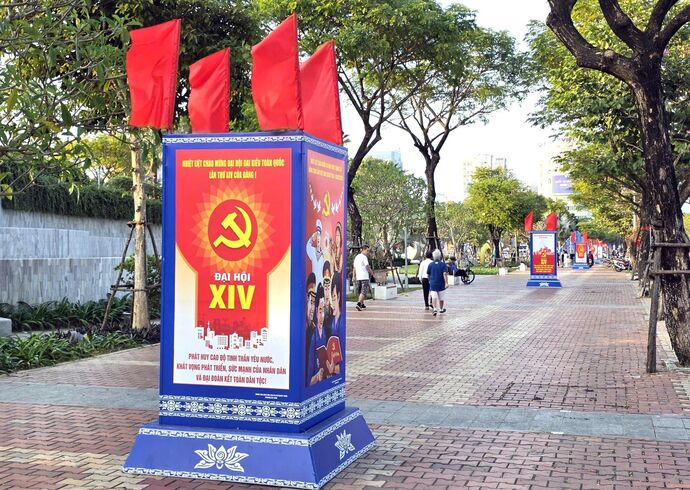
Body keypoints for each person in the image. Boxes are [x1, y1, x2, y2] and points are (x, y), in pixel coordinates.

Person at [308, 285, 327, 385]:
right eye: (320, 311)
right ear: (316, 312)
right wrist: (317, 376)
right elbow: (309, 381)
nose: (322, 315)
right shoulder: (312, 337)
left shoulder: (325, 331)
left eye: (324, 310)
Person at [352, 244, 374, 311]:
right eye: (367, 250)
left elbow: (354, 268)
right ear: (363, 250)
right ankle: (359, 304)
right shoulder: (364, 257)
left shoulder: (357, 257)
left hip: (358, 277)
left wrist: (354, 276)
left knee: (361, 291)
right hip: (364, 277)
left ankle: (362, 304)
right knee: (364, 291)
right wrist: (372, 273)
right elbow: (367, 267)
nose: (368, 252)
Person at [427, 249, 448, 316]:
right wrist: (446, 283)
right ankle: (441, 309)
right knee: (441, 298)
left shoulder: (430, 265)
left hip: (433, 283)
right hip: (441, 284)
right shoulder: (443, 265)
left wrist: (429, 280)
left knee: (434, 296)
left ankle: (435, 308)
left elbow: (428, 274)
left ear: (433, 256)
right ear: (440, 256)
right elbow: (444, 274)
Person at [306, 219, 325, 287]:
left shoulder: (324, 253)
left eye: (319, 235)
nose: (318, 239)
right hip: (314, 284)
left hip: (321, 285)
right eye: (317, 236)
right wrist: (312, 238)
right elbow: (308, 246)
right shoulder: (312, 251)